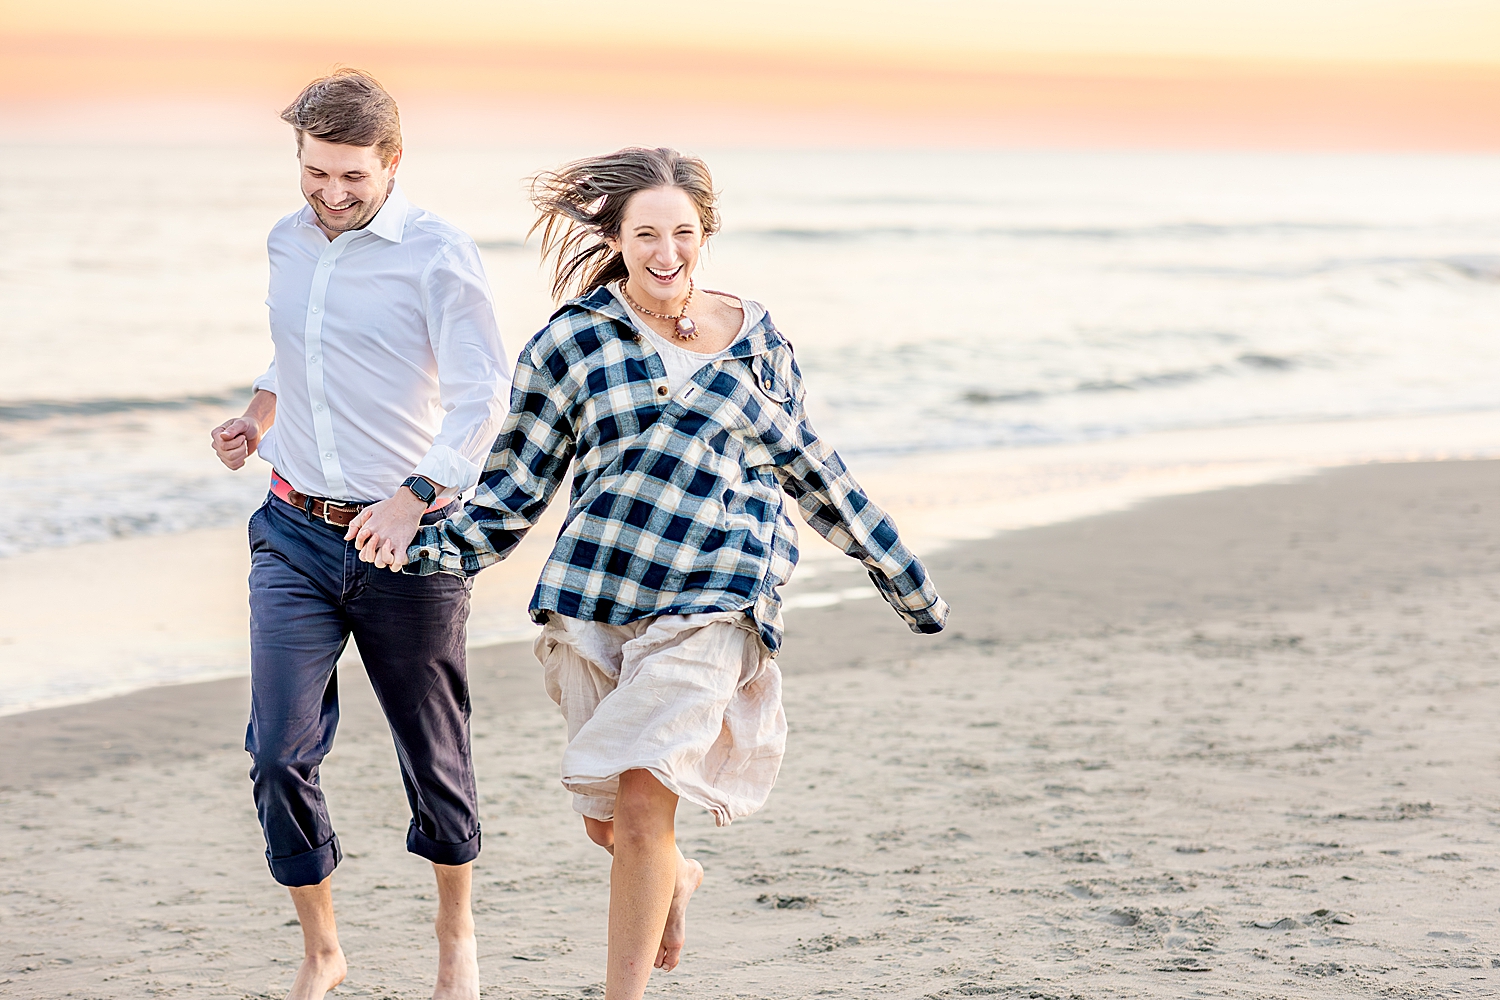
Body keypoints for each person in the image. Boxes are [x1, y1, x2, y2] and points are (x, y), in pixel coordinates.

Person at [349, 147, 948, 1000]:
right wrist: (421, 542)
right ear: (617, 239)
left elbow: (810, 465)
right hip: (599, 593)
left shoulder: (757, 337)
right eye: (646, 235)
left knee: (639, 802)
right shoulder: (570, 342)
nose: (667, 253)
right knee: (612, 820)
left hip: (718, 595)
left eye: (684, 233)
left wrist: (901, 576)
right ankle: (675, 875)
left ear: (705, 234)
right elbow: (519, 479)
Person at [208, 69, 508, 1000]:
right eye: (315, 175)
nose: (332, 195)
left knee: (434, 754)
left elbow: (483, 395)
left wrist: (414, 496)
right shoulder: (285, 242)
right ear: (298, 160)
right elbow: (294, 350)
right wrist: (256, 419)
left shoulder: (439, 254)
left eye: (353, 178)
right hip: (292, 531)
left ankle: (455, 933)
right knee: (276, 754)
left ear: (392, 162)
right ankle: (322, 948)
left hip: (407, 548)